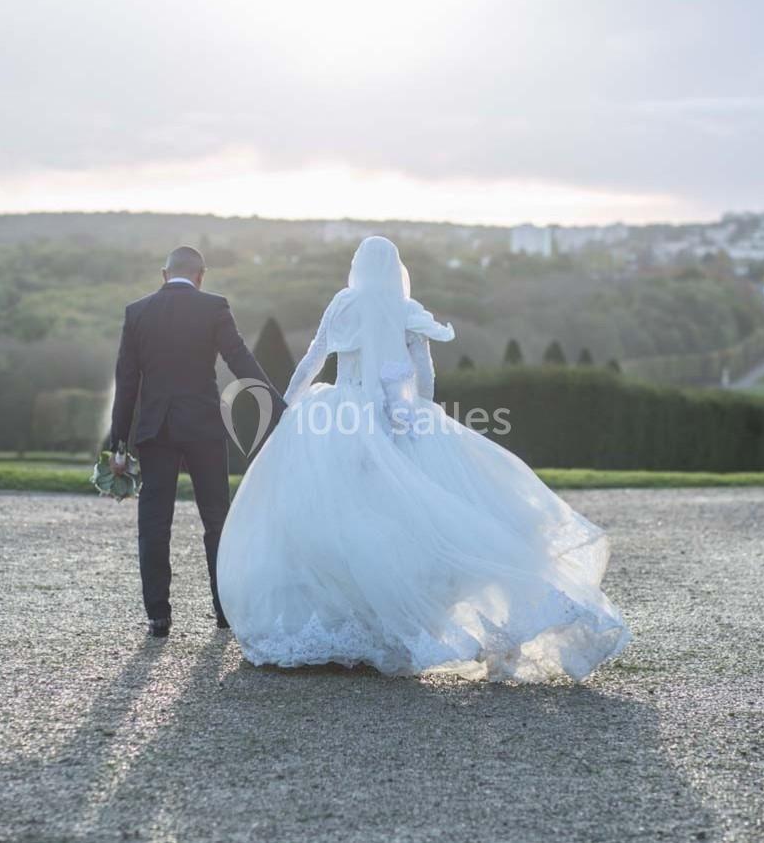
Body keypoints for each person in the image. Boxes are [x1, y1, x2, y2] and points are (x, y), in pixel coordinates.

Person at [217, 237, 629, 682]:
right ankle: (396, 628)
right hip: (399, 419)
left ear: (358, 268)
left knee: (334, 522)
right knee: (415, 522)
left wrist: (287, 409)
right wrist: (416, 417)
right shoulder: (406, 310)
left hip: (338, 418)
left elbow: (314, 360)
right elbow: (425, 375)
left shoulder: (344, 305)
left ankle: (344, 626)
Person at [109, 246, 284, 637]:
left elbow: (127, 383)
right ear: (201, 275)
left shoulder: (137, 312)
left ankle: (158, 615)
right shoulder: (214, 307)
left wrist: (118, 441)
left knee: (154, 523)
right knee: (217, 520)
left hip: (155, 429)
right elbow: (240, 360)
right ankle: (224, 611)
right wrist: (276, 405)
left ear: (164, 274)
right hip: (203, 426)